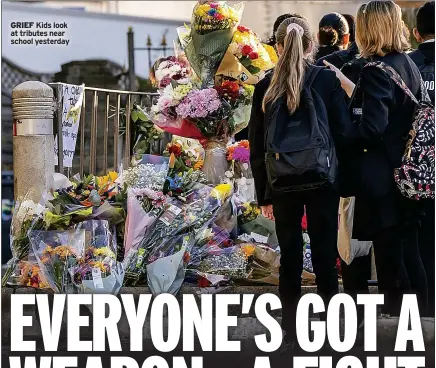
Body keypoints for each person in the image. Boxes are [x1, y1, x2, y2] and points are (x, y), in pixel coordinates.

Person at [249, 16, 351, 348]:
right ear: (310, 45)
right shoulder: (325, 80)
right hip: (323, 180)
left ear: (277, 47)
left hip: (281, 181)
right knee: (324, 255)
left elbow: (257, 144)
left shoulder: (265, 86)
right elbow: (343, 132)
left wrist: (263, 193)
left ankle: (291, 331)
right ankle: (331, 330)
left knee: (290, 255)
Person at [325, 0, 428, 317]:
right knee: (408, 258)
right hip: (408, 175)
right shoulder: (407, 64)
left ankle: (393, 330)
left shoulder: (374, 71)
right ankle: (421, 324)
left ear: (369, 29)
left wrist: (341, 131)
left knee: (388, 264)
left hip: (381, 181)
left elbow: (372, 128)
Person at [236, 13, 305, 141]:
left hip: (273, 153)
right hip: (316, 157)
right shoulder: (322, 77)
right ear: (309, 45)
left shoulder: (258, 61)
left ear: (278, 45)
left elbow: (255, 131)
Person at [409, 0, 435, 317]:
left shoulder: (405, 64)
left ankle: (424, 308)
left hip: (415, 169)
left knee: (419, 241)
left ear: (416, 33)